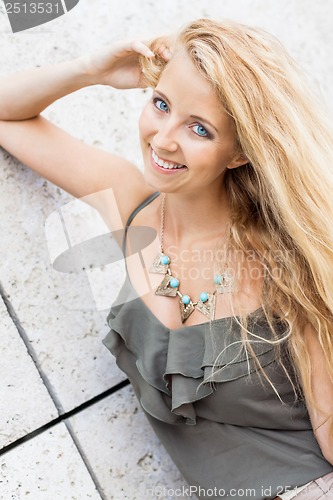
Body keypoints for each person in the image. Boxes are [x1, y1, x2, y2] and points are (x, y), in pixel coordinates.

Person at [0, 17, 333, 500]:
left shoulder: (287, 260)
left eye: (199, 128)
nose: (163, 139)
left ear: (240, 153)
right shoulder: (129, 202)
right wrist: (91, 69)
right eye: (161, 105)